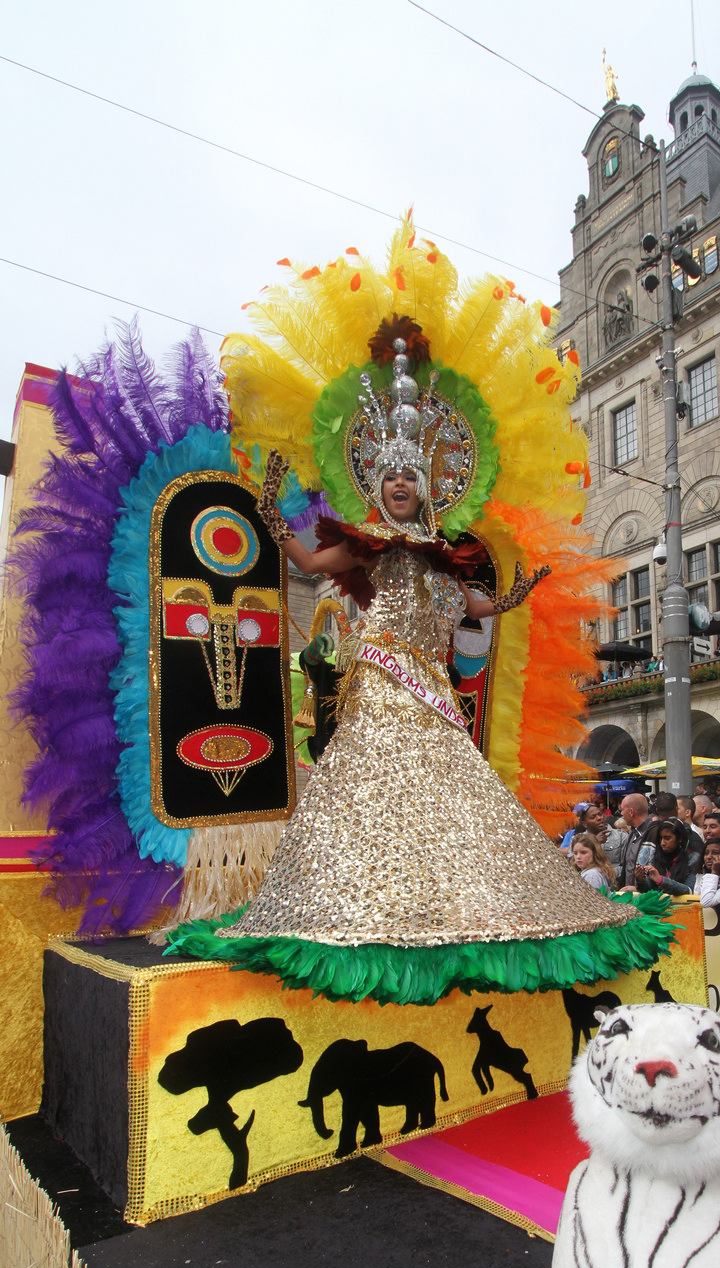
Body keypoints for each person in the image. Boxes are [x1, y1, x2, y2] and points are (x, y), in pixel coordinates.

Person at [166, 313, 663, 1001]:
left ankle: (441, 904)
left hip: (430, 686)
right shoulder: (368, 545)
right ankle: (355, 908)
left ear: (426, 486)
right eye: (390, 475)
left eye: (410, 475)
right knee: (375, 789)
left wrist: (509, 598)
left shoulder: (441, 558)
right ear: (376, 485)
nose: (400, 483)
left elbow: (470, 607)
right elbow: (308, 562)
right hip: (384, 678)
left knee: (447, 793)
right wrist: (274, 515)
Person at [635, 819, 698, 897]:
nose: (662, 843)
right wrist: (641, 880)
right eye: (660, 839)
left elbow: (688, 890)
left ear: (679, 839)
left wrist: (661, 880)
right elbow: (649, 890)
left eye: (667, 838)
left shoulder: (692, 858)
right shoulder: (656, 857)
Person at [580, 803, 626, 876]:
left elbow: (628, 867)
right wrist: (595, 843)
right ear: (585, 824)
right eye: (593, 817)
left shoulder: (621, 836)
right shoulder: (577, 840)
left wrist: (603, 874)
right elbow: (574, 867)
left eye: (600, 814)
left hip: (615, 882)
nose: (599, 818)